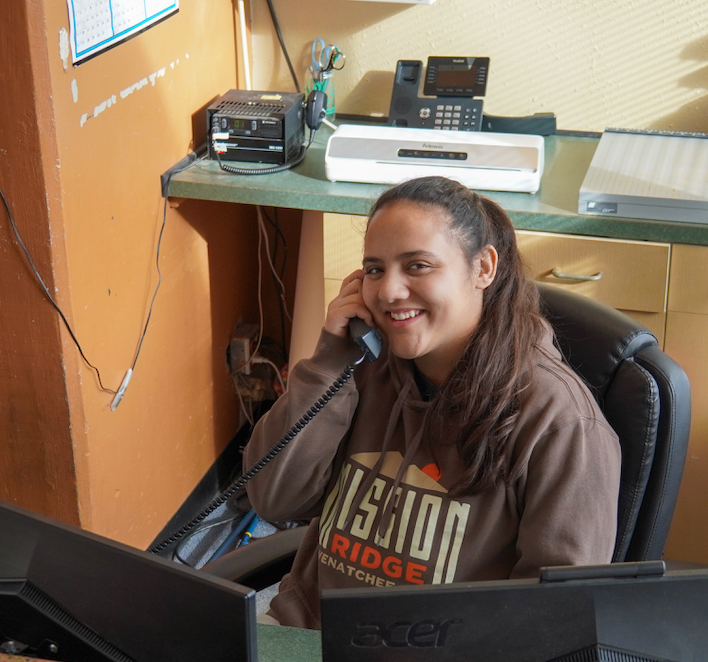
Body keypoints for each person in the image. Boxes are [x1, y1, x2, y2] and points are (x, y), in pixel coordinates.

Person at [244, 176, 621, 629]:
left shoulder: (559, 421)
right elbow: (273, 499)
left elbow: (555, 617)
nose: (388, 292)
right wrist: (329, 363)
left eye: (417, 265)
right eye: (375, 269)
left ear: (483, 268)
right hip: (307, 633)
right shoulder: (359, 365)